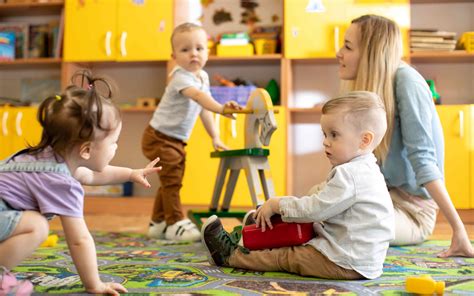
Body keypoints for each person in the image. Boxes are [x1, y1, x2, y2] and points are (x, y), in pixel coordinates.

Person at [201, 91, 394, 280]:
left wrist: (278, 204)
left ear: (364, 140)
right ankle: (258, 231)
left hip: (343, 260)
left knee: (287, 255)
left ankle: (229, 256)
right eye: (325, 134)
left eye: (334, 135)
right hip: (359, 259)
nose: (325, 142)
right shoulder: (367, 169)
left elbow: (314, 210)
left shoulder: (349, 174)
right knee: (301, 227)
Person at [0, 70, 161, 295]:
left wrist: (131, 173)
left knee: (30, 222)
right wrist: (94, 285)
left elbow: (92, 175)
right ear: (85, 150)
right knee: (37, 226)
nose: (116, 148)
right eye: (114, 142)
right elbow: (79, 240)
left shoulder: (51, 157)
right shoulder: (60, 181)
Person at [336, 14, 474, 258]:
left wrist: (458, 228)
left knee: (349, 222)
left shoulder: (407, 81)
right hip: (384, 198)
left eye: (347, 46)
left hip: (414, 212)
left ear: (371, 53)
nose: (338, 53)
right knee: (319, 203)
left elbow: (423, 160)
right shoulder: (372, 88)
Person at [142, 22, 242, 241]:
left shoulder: (203, 77)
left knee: (170, 179)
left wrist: (215, 136)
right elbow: (199, 98)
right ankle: (175, 221)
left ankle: (157, 222)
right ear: (174, 55)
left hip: (174, 139)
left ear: (207, 51)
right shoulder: (180, 76)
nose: (193, 54)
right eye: (185, 50)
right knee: (172, 180)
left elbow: (203, 109)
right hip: (159, 136)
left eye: (199, 48)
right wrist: (221, 108)